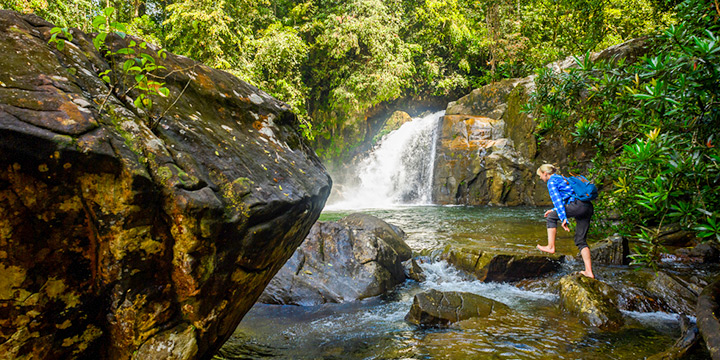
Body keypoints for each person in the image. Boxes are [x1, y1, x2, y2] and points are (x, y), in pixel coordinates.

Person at [535, 164, 595, 278]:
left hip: (577, 206)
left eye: (540, 176)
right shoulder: (562, 178)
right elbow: (567, 197)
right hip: (587, 207)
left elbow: (558, 200)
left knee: (551, 217)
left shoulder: (551, 182)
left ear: (545, 174)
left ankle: (550, 246)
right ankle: (589, 271)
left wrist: (562, 218)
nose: (541, 178)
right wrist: (554, 210)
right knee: (580, 241)